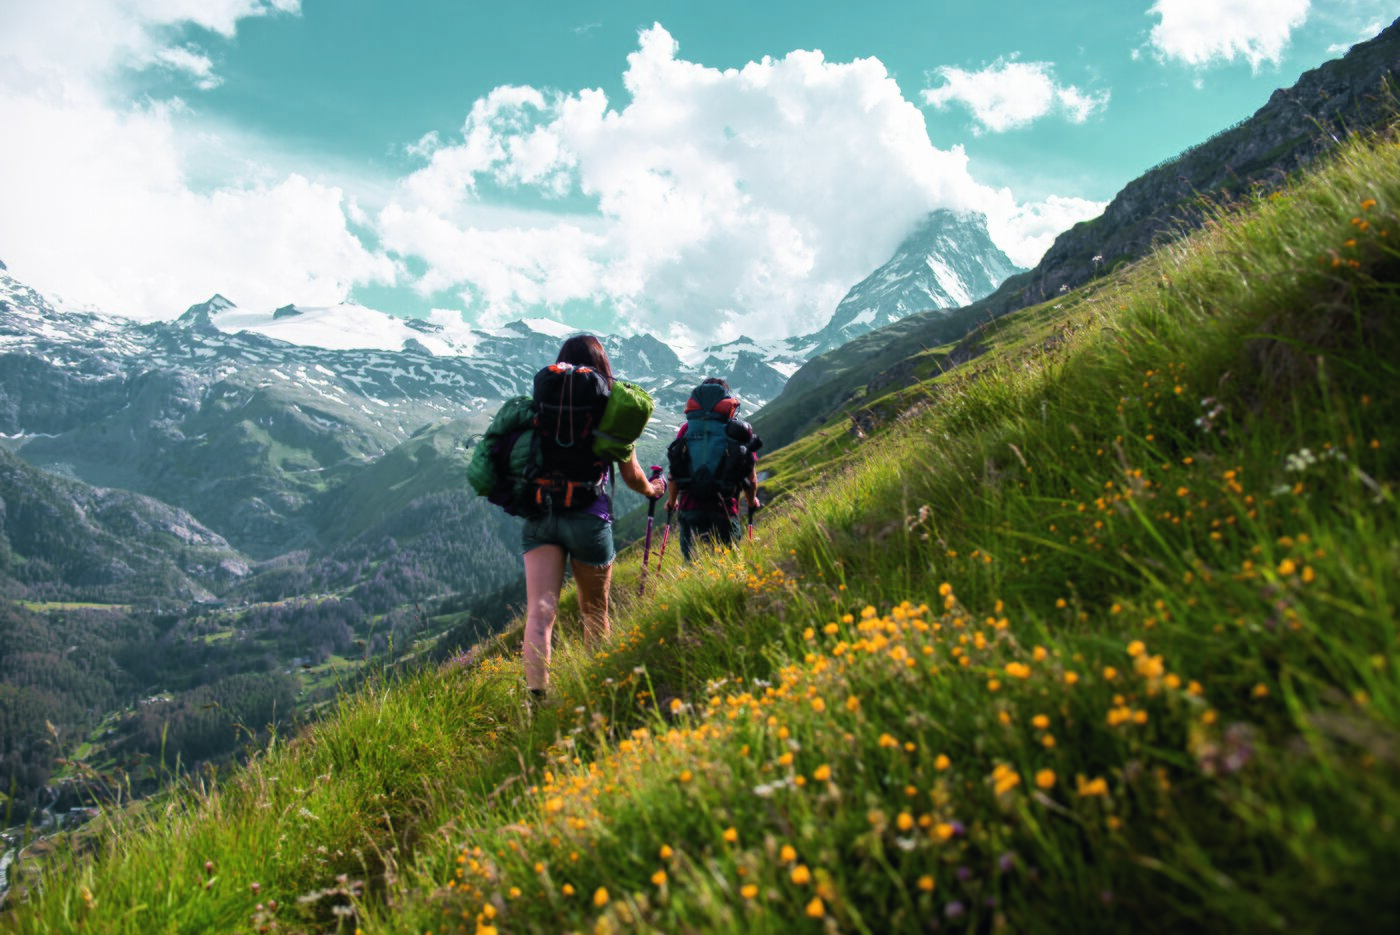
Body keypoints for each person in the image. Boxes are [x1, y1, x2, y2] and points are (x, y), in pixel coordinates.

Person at [521, 335, 665, 705]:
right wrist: (654, 490)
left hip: (541, 513)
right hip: (589, 516)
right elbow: (632, 476)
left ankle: (537, 704)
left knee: (539, 615)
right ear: (601, 366)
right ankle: (598, 695)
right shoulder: (610, 410)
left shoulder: (542, 404)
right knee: (594, 612)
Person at [665, 377, 761, 562]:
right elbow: (750, 476)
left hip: (690, 509)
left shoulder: (688, 429)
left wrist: (672, 501)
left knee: (693, 567)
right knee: (730, 564)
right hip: (724, 507)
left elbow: (675, 470)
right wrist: (751, 501)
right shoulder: (736, 431)